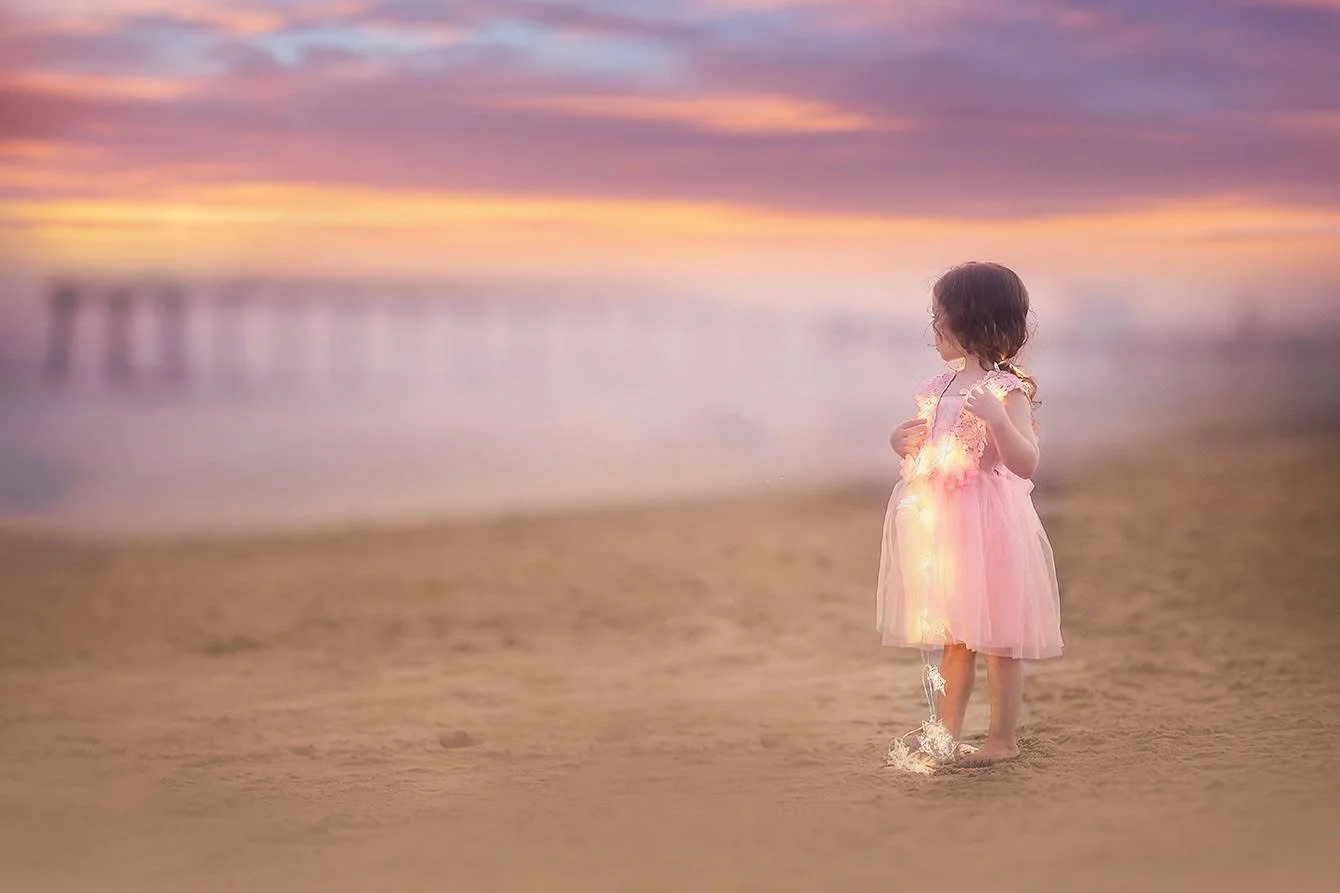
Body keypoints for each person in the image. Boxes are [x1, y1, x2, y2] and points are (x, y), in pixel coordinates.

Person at [877, 262, 1063, 767]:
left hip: (991, 523)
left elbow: (1025, 463)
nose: (933, 328)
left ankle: (1002, 740)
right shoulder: (936, 387)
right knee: (955, 636)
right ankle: (946, 732)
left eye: (940, 317)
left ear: (973, 320)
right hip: (945, 524)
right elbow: (927, 451)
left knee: (1001, 638)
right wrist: (901, 443)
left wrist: (999, 419)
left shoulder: (1007, 390)